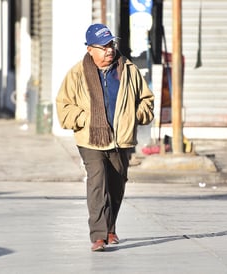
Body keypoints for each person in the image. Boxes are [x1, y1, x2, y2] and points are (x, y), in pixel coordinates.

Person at [56, 23, 154, 252]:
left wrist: (135, 114)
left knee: (116, 184)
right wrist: (84, 118)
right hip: (90, 138)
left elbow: (146, 101)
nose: (110, 50)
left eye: (111, 44)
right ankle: (99, 235)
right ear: (90, 49)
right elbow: (64, 106)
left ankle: (110, 228)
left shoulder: (128, 70)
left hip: (122, 138)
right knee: (98, 181)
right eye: (104, 46)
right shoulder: (77, 73)